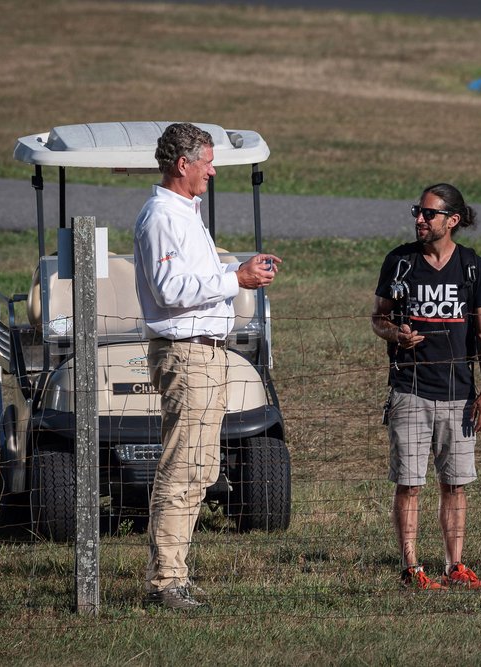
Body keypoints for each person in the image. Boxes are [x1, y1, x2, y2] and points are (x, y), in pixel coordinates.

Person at [133, 122, 280, 609]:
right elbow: (169, 290)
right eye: (208, 162)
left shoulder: (185, 214)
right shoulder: (162, 216)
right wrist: (235, 277)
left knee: (200, 466)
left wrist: (235, 274)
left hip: (208, 351)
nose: (213, 171)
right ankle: (165, 580)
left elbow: (191, 278)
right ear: (184, 165)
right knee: (183, 465)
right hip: (187, 351)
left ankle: (175, 572)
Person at [371, 183, 481, 590]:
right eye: (417, 212)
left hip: (460, 393)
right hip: (409, 390)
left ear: (452, 220)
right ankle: (412, 570)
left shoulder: (472, 267)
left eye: (428, 214)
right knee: (410, 483)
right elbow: (379, 317)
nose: (419, 220)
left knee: (454, 484)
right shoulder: (400, 262)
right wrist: (396, 334)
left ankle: (455, 566)